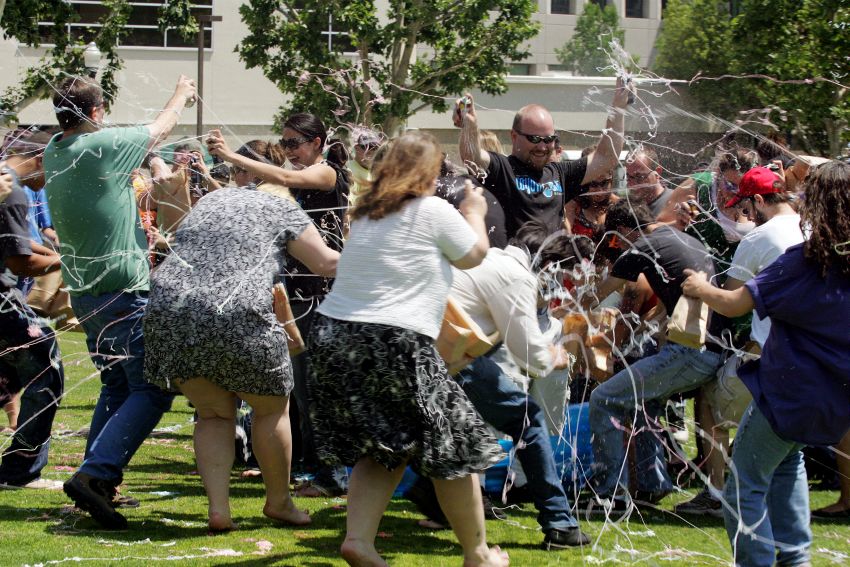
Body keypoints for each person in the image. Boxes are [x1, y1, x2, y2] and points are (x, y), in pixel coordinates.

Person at [307, 132, 507, 567]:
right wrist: (474, 211)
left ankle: (359, 540)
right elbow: (474, 255)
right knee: (457, 447)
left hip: (334, 336)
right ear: (428, 172)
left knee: (385, 446)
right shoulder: (433, 210)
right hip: (394, 340)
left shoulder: (366, 213)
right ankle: (478, 554)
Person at [43, 74, 196, 529]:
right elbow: (161, 128)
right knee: (152, 387)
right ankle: (96, 473)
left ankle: (96, 480)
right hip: (122, 289)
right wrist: (182, 93)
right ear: (95, 114)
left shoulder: (55, 149)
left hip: (87, 293)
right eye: (102, 111)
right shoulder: (101, 144)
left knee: (116, 386)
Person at [681, 160, 850, 567]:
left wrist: (700, 287)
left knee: (743, 486)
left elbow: (736, 301)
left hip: (788, 394)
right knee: (787, 463)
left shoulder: (805, 261)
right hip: (835, 399)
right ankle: (797, 560)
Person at [143, 184, 339, 531]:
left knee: (213, 415)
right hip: (237, 310)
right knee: (271, 408)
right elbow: (324, 263)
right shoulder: (283, 208)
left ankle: (219, 509)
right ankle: (279, 502)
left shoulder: (213, 199)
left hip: (169, 305)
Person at [407, 220, 592, 549]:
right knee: (529, 419)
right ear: (548, 264)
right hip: (448, 357)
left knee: (463, 426)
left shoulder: (491, 257)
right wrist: (556, 357)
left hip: (421, 351)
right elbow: (529, 355)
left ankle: (430, 495)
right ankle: (559, 524)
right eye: (563, 274)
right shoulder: (517, 277)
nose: (560, 285)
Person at [208, 114, 350, 497]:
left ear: (317, 142)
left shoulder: (327, 173)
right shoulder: (303, 176)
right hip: (298, 292)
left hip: (320, 295)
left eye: (294, 144)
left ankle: (331, 476)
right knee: (298, 386)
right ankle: (309, 466)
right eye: (283, 144)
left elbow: (283, 178)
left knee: (313, 389)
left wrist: (232, 157)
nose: (287, 152)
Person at [675, 164, 804, 517]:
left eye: (745, 207)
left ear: (759, 200)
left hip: (767, 358)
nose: (742, 214)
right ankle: (792, 542)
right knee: (790, 454)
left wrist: (700, 287)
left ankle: (716, 493)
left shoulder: (759, 239)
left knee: (709, 405)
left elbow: (730, 303)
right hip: (807, 360)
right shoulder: (810, 228)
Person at [584, 201, 721, 510]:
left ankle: (610, 495)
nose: (617, 247)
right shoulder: (683, 238)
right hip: (711, 349)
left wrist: (560, 306)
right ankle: (652, 485)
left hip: (690, 351)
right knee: (642, 403)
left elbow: (596, 295)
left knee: (603, 399)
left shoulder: (641, 247)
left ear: (622, 232)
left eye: (615, 240)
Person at [454, 79, 629, 239]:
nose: (543, 147)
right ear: (514, 136)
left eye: (549, 140)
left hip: (550, 270)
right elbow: (473, 157)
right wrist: (468, 127)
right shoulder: (503, 169)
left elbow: (606, 157)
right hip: (515, 268)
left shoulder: (560, 173)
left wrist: (618, 107)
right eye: (534, 139)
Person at [0, 167, 64, 490]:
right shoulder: (9, 188)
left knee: (8, 378)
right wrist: (70, 262)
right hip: (3, 303)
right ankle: (19, 470)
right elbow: (19, 262)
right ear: (41, 161)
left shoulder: (7, 184)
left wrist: (61, 253)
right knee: (46, 369)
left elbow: (23, 243)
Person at [624, 146, 673, 218]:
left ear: (658, 173)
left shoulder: (674, 202)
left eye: (639, 177)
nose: (632, 185)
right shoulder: (629, 207)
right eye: (628, 177)